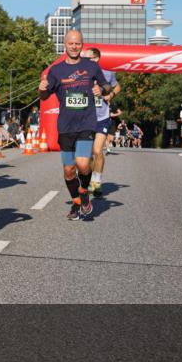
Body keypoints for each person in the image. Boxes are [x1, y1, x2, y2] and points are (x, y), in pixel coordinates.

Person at [38, 30, 111, 220]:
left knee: (83, 164)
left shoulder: (91, 66)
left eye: (77, 43)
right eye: (71, 43)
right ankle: (77, 203)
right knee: (69, 170)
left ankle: (84, 190)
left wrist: (101, 89)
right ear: (65, 44)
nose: (74, 47)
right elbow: (44, 96)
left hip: (87, 123)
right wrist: (42, 89)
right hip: (65, 126)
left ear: (82, 45)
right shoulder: (56, 70)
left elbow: (107, 86)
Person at [83, 47, 119, 195]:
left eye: (88, 58)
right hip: (85, 118)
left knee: (97, 151)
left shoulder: (107, 73)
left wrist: (110, 95)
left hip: (102, 117)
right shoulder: (80, 73)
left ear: (96, 58)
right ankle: (92, 177)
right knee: (88, 155)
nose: (84, 61)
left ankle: (97, 181)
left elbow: (117, 87)